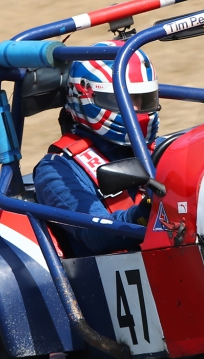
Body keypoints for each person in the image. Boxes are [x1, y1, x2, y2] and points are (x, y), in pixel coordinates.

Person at [33, 40, 161, 256]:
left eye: (141, 98)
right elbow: (97, 234)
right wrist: (147, 212)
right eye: (124, 99)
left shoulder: (158, 147)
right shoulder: (56, 171)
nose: (137, 109)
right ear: (85, 98)